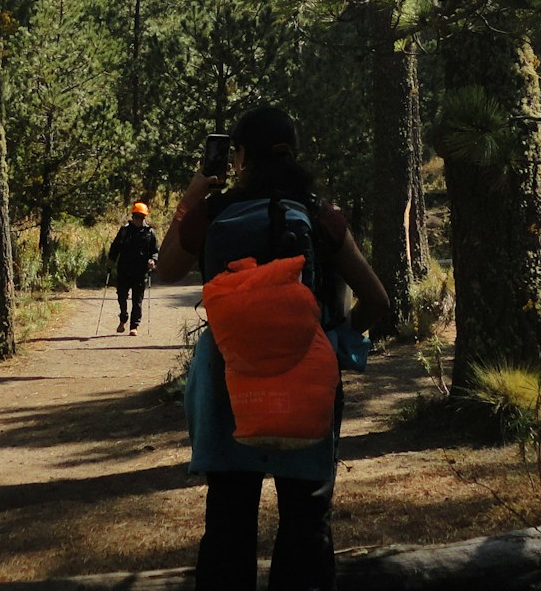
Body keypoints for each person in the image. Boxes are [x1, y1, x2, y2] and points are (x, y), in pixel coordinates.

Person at [155, 107, 392, 591]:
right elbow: (378, 300)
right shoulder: (320, 214)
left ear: (238, 156)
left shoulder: (214, 212)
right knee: (306, 523)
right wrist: (340, 334)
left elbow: (165, 269)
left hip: (229, 380)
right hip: (308, 378)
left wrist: (198, 188)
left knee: (228, 522)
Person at [108, 201, 159, 334]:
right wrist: (110, 260)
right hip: (124, 269)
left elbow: (155, 251)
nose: (139, 220)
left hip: (141, 271)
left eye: (141, 217)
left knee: (137, 300)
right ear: (133, 216)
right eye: (136, 217)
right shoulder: (124, 230)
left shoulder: (150, 232)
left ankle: (134, 326)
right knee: (121, 296)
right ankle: (123, 317)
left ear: (145, 218)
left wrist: (153, 260)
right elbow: (115, 247)